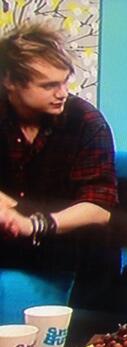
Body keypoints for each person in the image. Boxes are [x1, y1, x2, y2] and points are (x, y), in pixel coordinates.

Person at [0, 22, 119, 313]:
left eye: (65, 82)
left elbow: (99, 207)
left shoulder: (86, 121)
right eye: (49, 86)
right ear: (10, 81)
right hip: (5, 235)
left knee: (100, 242)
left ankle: (83, 334)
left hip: (65, 237)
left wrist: (35, 224)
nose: (63, 93)